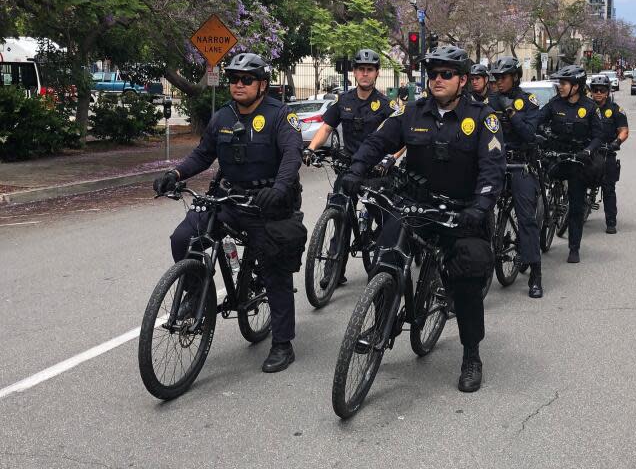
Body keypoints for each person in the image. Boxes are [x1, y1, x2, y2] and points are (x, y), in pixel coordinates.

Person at [340, 45, 506, 393]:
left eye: (446, 74)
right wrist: (355, 170)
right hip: (416, 206)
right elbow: (377, 141)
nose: (438, 80)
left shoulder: (482, 117)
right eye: (433, 74)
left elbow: (493, 170)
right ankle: (381, 316)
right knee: (386, 255)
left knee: (467, 277)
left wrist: (480, 208)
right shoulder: (411, 112)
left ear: (462, 80)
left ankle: (471, 354)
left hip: (460, 212)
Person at [153, 53, 303, 373]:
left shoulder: (279, 115)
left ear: (262, 85)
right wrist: (176, 175)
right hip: (229, 198)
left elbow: (292, 155)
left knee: (275, 268)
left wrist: (278, 189)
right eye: (234, 79)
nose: (238, 85)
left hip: (268, 203)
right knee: (183, 237)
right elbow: (203, 154)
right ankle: (195, 297)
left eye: (246, 80)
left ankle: (282, 343)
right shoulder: (223, 116)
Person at [302, 49, 397, 285]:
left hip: (376, 171)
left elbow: (401, 135)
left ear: (376, 73)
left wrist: (391, 158)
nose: (365, 74)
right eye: (361, 69)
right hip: (348, 168)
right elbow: (326, 128)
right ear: (354, 72)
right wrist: (311, 149)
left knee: (384, 217)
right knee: (339, 216)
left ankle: (385, 263)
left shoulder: (385, 104)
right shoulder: (342, 101)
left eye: (370, 69)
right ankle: (333, 271)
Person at [534, 64, 603, 264]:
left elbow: (598, 136)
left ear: (576, 86)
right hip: (555, 156)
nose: (560, 87)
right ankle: (544, 214)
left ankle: (574, 247)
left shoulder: (590, 107)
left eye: (564, 83)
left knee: (576, 204)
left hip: (577, 161)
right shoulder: (554, 104)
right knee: (537, 190)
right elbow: (537, 120)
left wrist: (588, 151)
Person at [487, 57, 543, 298]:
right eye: (496, 78)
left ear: (515, 77)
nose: (498, 82)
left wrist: (511, 112)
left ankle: (536, 275)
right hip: (495, 163)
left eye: (503, 77)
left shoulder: (527, 101)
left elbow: (530, 134)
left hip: (520, 163)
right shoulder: (489, 101)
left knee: (526, 218)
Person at [589, 75, 629, 234]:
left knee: (608, 188)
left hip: (606, 152)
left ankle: (611, 221)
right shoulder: (586, 107)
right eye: (595, 90)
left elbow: (624, 131)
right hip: (587, 151)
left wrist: (616, 143)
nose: (598, 93)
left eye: (602, 90)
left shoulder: (615, 110)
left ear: (607, 92)